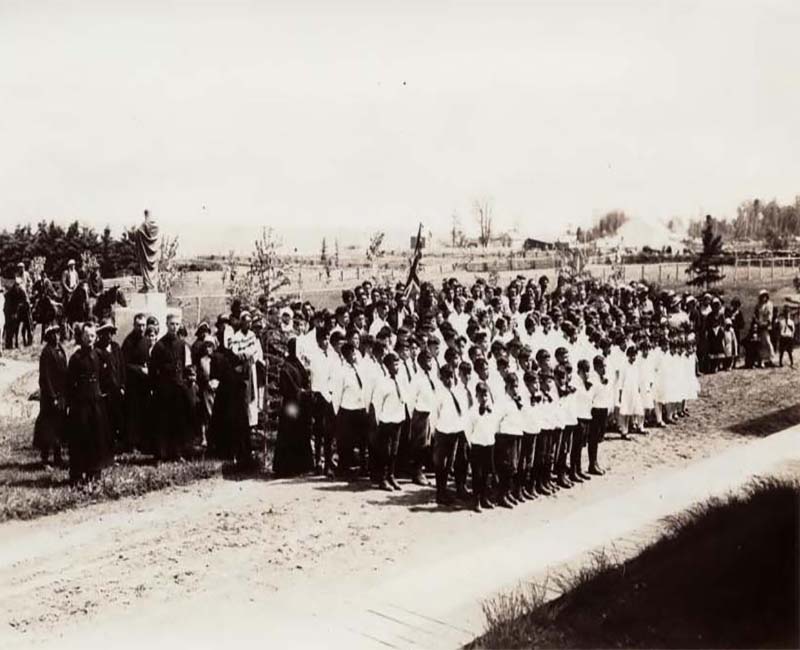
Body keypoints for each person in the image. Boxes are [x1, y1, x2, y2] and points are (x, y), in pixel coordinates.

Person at [66, 322, 112, 483]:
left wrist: (103, 393)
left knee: (96, 437)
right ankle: (77, 474)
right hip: (81, 404)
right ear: (82, 337)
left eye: (92, 336)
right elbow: (69, 383)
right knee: (80, 438)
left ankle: (94, 472)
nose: (90, 339)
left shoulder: (99, 355)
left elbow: (107, 377)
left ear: (96, 337)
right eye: (87, 336)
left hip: (96, 403)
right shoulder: (75, 358)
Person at [148, 313, 192, 461]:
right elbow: (153, 369)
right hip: (164, 389)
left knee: (178, 421)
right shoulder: (160, 346)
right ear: (166, 325)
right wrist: (155, 387)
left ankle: (177, 453)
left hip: (178, 388)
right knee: (163, 422)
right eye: (172, 324)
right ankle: (161, 455)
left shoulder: (181, 344)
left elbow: (183, 365)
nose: (175, 327)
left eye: (177, 324)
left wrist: (184, 382)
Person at [273, 337, 314, 477]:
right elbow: (286, 388)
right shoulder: (286, 367)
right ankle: (286, 468)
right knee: (289, 433)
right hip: (291, 404)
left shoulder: (299, 365)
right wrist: (299, 392)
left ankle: (300, 466)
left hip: (301, 404)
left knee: (300, 432)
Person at [430, 365, 468, 505]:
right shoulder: (439, 394)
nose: (449, 380)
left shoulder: (457, 391)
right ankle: (440, 492)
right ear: (441, 378)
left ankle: (453, 490)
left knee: (451, 463)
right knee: (441, 464)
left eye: (451, 376)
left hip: (455, 431)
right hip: (442, 432)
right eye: (446, 377)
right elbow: (434, 415)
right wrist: (435, 432)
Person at [372, 352, 407, 491]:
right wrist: (379, 421)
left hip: (398, 419)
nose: (397, 367)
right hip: (386, 421)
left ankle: (391, 476)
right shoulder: (382, 382)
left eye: (398, 363)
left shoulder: (400, 380)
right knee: (384, 452)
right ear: (388, 366)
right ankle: (382, 478)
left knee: (394, 451)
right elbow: (377, 404)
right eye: (394, 364)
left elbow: (404, 397)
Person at [33, 324, 68, 467]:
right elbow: (45, 378)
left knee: (59, 426)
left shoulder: (61, 350)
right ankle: (45, 458)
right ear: (48, 336)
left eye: (58, 333)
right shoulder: (47, 353)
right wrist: (52, 396)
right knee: (48, 427)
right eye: (53, 334)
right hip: (50, 397)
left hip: (61, 395)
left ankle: (58, 458)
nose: (56, 336)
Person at [464, 382, 497, 512]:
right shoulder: (472, 412)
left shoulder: (492, 409)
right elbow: (468, 429)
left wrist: (491, 439)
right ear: (476, 396)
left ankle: (484, 497)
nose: (484, 398)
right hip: (477, 446)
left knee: (486, 473)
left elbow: (493, 424)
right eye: (481, 396)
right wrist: (471, 443)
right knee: (477, 474)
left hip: (489, 444)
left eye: (486, 395)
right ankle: (476, 500)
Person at [96, 320, 127, 455]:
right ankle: (106, 449)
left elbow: (122, 368)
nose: (108, 336)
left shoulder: (116, 348)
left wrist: (122, 386)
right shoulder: (97, 350)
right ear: (100, 335)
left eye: (110, 333)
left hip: (117, 391)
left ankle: (116, 447)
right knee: (105, 422)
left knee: (117, 419)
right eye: (105, 333)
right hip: (105, 392)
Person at [121, 313, 151, 452]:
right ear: (134, 325)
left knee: (144, 412)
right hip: (132, 383)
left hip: (144, 384)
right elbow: (124, 364)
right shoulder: (128, 342)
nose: (141, 328)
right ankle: (131, 443)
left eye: (143, 325)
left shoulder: (145, 340)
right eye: (139, 325)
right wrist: (140, 370)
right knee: (132, 414)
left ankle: (143, 442)